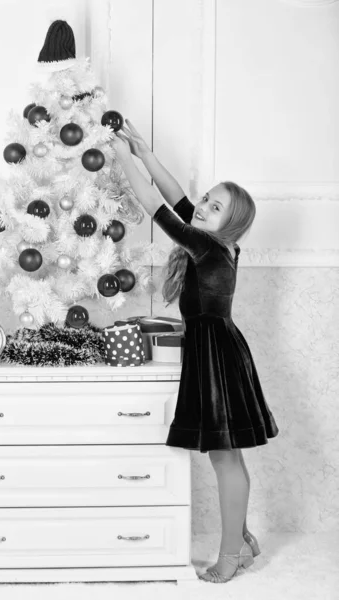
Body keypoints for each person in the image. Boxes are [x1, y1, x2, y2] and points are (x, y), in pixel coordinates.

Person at [112, 120, 279, 584]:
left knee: (224, 457)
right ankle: (241, 541)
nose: (202, 206)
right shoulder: (219, 245)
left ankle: (230, 554)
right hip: (218, 349)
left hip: (216, 356)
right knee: (227, 455)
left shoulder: (206, 246)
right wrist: (143, 150)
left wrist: (117, 154)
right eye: (206, 198)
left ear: (232, 222)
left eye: (215, 205)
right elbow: (175, 197)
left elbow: (154, 204)